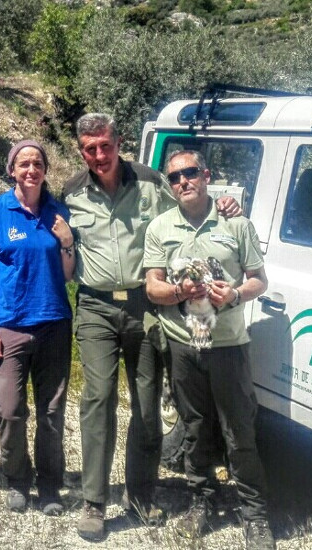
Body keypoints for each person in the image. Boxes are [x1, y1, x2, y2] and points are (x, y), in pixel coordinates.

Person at [61, 113, 240, 541]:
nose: (99, 155)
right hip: (96, 307)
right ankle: (94, 502)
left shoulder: (150, 181)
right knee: (98, 399)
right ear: (81, 150)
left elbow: (189, 209)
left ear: (118, 142)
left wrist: (226, 204)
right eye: (90, 149)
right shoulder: (70, 192)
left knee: (145, 404)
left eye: (105, 145)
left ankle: (140, 495)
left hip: (145, 304)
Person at [144, 150, 275, 550]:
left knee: (238, 430)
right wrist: (177, 291)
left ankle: (255, 516)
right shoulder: (160, 227)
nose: (183, 181)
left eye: (190, 173)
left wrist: (234, 293)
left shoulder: (236, 223)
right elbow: (152, 286)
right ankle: (201, 501)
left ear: (206, 175)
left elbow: (259, 281)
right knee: (195, 428)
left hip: (227, 345)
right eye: (175, 177)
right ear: (170, 185)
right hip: (184, 345)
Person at [0, 140, 75, 515]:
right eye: (23, 164)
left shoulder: (58, 212)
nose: (31, 170)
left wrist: (67, 242)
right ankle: (17, 479)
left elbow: (68, 276)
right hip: (10, 326)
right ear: (12, 170)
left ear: (45, 170)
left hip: (53, 325)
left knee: (51, 413)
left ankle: (49, 487)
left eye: (37, 163)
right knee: (11, 411)